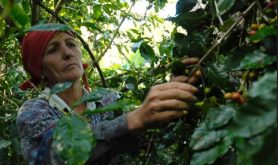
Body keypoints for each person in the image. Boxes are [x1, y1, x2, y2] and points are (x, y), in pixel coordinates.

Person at [16, 23, 199, 165]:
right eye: (53, 49)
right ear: (39, 69)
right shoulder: (33, 112)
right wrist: (132, 120)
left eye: (71, 44)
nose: (67, 53)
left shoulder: (108, 100)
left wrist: (171, 95)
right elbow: (56, 155)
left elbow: (145, 142)